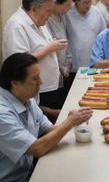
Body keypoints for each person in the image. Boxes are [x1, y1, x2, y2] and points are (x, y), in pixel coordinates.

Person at [0, 53, 93, 182]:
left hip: (28, 171)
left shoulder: (26, 98)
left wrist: (73, 120)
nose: (41, 82)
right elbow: (37, 148)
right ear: (15, 83)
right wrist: (69, 123)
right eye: (35, 78)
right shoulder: (2, 114)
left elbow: (49, 129)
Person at [2, 0, 68, 123]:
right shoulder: (16, 25)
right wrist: (49, 48)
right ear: (34, 8)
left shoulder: (39, 21)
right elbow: (19, 64)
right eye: (48, 11)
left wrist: (52, 44)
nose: (50, 15)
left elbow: (41, 45)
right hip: (34, 89)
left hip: (46, 87)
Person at [64, 0, 106, 83]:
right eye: (84, 2)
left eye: (90, 1)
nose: (88, 5)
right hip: (74, 67)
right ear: (76, 1)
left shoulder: (96, 12)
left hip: (94, 65)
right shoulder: (67, 14)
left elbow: (104, 36)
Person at [47, 0, 73, 106]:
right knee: (54, 104)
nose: (69, 8)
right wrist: (63, 69)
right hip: (54, 72)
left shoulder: (61, 17)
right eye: (67, 5)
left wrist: (68, 60)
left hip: (63, 71)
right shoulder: (46, 20)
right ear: (56, 3)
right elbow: (51, 49)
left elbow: (65, 40)